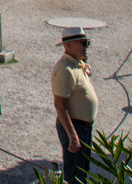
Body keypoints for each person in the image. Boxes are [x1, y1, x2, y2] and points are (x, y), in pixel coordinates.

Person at [52, 26, 99, 183]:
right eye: (82, 43)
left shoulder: (77, 64)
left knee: (83, 171)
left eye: (87, 43)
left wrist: (85, 66)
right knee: (75, 175)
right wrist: (72, 135)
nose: (86, 47)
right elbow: (60, 105)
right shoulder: (65, 70)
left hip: (84, 126)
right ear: (68, 46)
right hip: (75, 126)